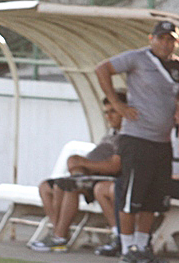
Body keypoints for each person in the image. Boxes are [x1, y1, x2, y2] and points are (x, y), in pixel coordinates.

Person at [95, 20, 179, 263]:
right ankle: (127, 249)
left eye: (171, 39)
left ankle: (142, 245)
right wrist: (118, 105)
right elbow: (102, 69)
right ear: (152, 39)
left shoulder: (177, 66)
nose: (166, 44)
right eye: (161, 38)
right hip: (137, 138)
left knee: (152, 198)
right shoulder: (137, 59)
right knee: (131, 196)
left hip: (162, 141)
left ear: (177, 43)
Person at [93, 87, 179, 257]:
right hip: (172, 180)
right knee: (125, 184)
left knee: (143, 187)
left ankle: (138, 243)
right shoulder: (175, 130)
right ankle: (125, 239)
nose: (176, 111)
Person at [30, 93, 125, 252]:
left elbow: (115, 166)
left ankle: (59, 237)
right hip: (89, 174)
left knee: (69, 185)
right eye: (106, 112)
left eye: (113, 111)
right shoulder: (111, 134)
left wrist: (84, 163)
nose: (108, 116)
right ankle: (58, 232)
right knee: (46, 187)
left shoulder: (126, 137)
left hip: (103, 177)